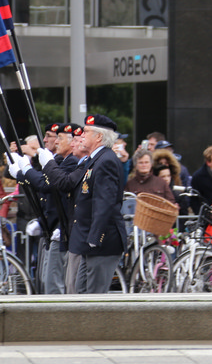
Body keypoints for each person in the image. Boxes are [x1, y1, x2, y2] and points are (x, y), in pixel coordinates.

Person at [12, 114, 129, 294]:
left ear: (99, 137)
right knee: (79, 294)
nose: (81, 135)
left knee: (95, 297)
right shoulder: (94, 160)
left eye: (86, 132)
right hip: (86, 240)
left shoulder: (106, 161)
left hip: (101, 242)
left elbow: (105, 203)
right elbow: (70, 187)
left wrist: (95, 238)